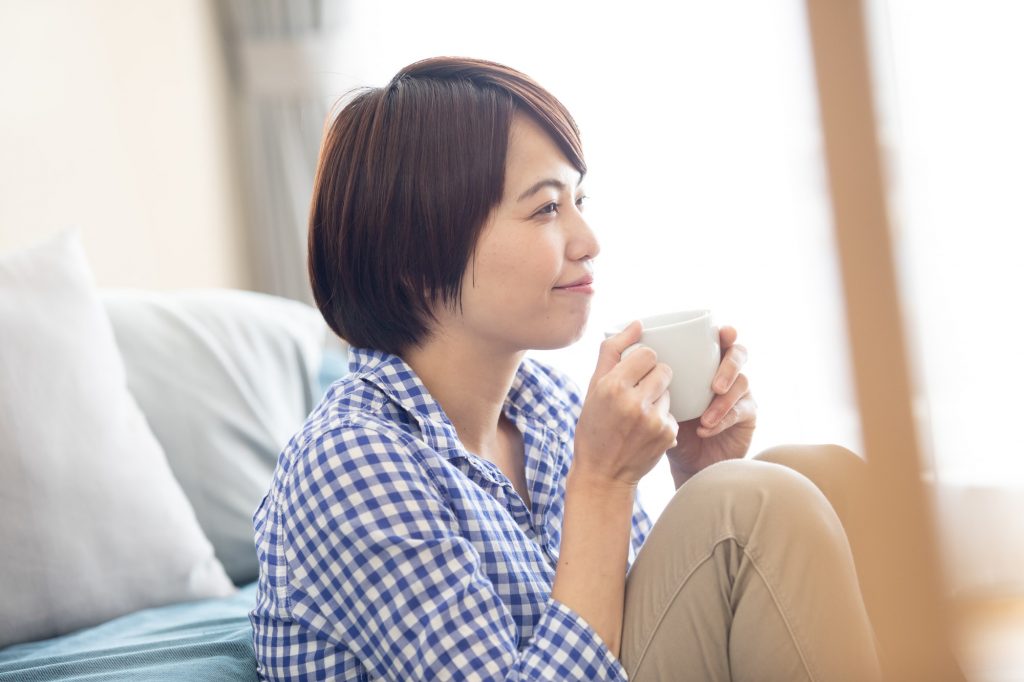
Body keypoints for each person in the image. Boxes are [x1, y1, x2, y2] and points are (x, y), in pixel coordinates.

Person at [249, 56, 882, 681]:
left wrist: (698, 477)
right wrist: (604, 483)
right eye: (546, 208)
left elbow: (628, 621)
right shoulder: (352, 461)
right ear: (413, 255)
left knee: (814, 474)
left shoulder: (543, 404)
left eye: (578, 199)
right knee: (752, 503)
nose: (589, 240)